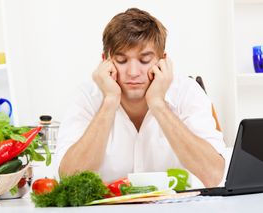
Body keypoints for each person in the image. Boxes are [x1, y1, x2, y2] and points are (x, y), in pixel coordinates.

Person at [55, 8, 225, 187]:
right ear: (105, 60)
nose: (133, 72)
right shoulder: (87, 97)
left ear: (162, 60)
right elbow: (69, 179)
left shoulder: (187, 92)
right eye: (121, 60)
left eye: (144, 60)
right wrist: (110, 101)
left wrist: (158, 104)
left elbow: (213, 175)